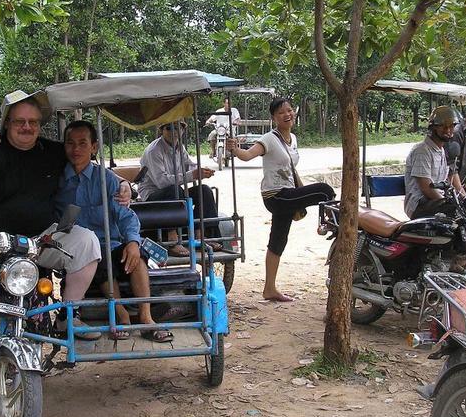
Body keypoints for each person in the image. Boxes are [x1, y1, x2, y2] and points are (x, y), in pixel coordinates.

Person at [0, 92, 130, 341]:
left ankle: (67, 315)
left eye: (33, 122)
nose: (27, 127)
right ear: (7, 124)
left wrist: (122, 183)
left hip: (42, 238)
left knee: (87, 243)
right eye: (20, 121)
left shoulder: (53, 151)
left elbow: (87, 160)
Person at [55, 120, 173, 343]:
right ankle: (122, 316)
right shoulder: (57, 181)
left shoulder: (107, 179)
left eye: (83, 143)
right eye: (70, 143)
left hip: (114, 245)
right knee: (98, 260)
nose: (76, 149)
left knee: (136, 258)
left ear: (94, 147)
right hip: (80, 254)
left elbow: (127, 216)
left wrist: (132, 242)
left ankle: (147, 319)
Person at [226, 98, 335, 302]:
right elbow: (247, 155)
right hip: (275, 196)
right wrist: (234, 149)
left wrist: (302, 192)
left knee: (277, 241)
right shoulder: (269, 138)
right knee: (325, 190)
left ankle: (269, 289)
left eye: (290, 110)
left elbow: (292, 171)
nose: (287, 114)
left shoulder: (293, 138)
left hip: (289, 193)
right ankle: (329, 224)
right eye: (281, 113)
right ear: (274, 118)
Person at [138, 121, 220, 257]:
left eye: (177, 128)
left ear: (183, 130)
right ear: (162, 131)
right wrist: (192, 175)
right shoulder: (154, 151)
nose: (173, 132)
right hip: (152, 195)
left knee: (204, 190)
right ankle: (172, 239)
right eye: (168, 128)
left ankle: (202, 235)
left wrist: (201, 171)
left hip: (173, 192)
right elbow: (162, 182)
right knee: (174, 190)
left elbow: (190, 165)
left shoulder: (179, 147)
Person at [404, 105, 464, 219]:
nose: (448, 130)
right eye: (442, 126)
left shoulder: (441, 150)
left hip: (435, 201)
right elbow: (426, 188)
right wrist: (447, 202)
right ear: (433, 127)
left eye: (451, 126)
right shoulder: (422, 151)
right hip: (419, 205)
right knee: (456, 211)